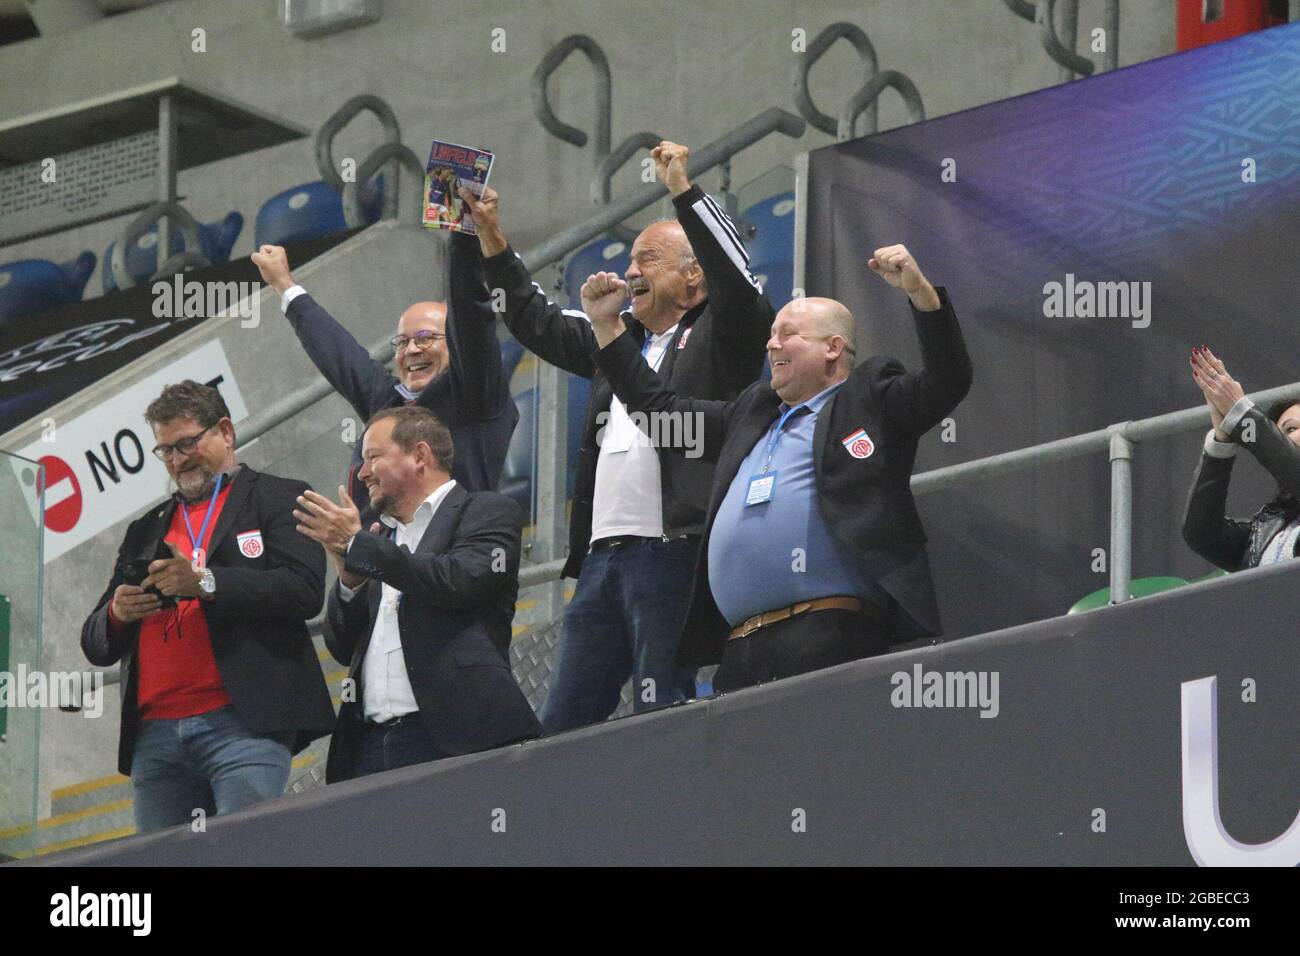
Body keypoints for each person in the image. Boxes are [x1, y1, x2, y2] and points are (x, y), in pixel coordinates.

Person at [460, 140, 771, 732]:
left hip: (674, 549)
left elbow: (734, 273)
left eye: (648, 260)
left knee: (664, 716)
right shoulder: (614, 341)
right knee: (560, 729)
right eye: (630, 259)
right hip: (602, 561)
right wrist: (492, 239)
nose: (630, 272)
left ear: (694, 279)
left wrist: (682, 188)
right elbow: (532, 319)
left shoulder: (726, 332)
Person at [582, 244, 972, 691]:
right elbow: (658, 415)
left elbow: (947, 381)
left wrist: (920, 294)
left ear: (833, 348)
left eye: (788, 334)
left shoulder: (869, 399)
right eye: (771, 334)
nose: (771, 343)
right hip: (740, 648)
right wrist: (606, 326)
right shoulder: (751, 411)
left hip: (830, 633)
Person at [80, 381, 334, 833]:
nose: (177, 460)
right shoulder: (145, 527)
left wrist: (207, 582)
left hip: (243, 725)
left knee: (242, 855)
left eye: (186, 443)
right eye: (165, 450)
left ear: (226, 431)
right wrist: (119, 612)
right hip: (154, 735)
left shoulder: (280, 497)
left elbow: (304, 590)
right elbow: (95, 643)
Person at [293, 406, 541, 781]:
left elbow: (461, 581)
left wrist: (359, 546)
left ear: (419, 456)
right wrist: (350, 579)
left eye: (373, 457)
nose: (362, 473)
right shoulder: (379, 540)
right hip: (370, 747)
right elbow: (343, 648)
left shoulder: (487, 511)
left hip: (454, 738)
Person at [251, 232, 517, 509]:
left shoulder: (478, 394)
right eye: (402, 342)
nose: (412, 350)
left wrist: (461, 233)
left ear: (456, 344)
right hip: (376, 548)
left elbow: (471, 318)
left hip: (450, 548)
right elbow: (340, 355)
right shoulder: (390, 403)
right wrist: (285, 285)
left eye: (426, 338)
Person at [1182, 346, 1300, 569]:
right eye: (1290, 429)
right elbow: (1202, 535)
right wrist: (1221, 445)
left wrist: (1241, 414)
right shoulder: (1265, 532)